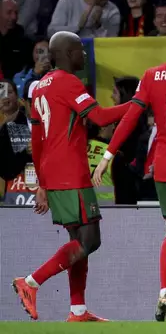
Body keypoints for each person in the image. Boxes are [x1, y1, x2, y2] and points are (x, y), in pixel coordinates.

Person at [92, 15, 166, 322]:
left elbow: (131, 115)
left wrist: (107, 155)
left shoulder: (153, 74)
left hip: (163, 168)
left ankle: (165, 290)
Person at [12, 31, 130, 322]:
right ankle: (30, 282)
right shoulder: (68, 82)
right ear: (67, 53)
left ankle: (77, 310)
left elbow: (36, 140)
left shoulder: (39, 87)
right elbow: (100, 118)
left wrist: (41, 183)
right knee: (90, 240)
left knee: (79, 240)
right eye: (80, 50)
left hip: (54, 174)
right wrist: (139, 103)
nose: (85, 56)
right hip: (71, 173)